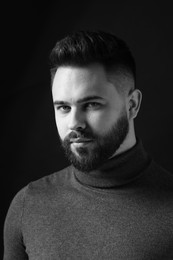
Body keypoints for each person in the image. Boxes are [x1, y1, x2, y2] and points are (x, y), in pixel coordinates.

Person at [3, 30, 173, 259]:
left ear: (132, 105)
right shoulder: (28, 204)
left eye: (92, 104)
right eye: (63, 107)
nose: (74, 123)